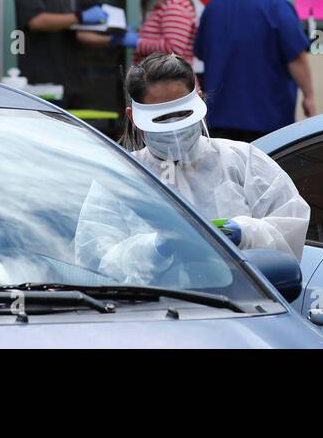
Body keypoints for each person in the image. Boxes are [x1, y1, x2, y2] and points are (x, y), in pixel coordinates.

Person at [73, 52, 309, 282]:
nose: (174, 128)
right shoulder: (120, 178)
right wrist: (156, 247)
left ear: (200, 99)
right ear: (133, 117)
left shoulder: (242, 161)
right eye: (162, 119)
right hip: (149, 314)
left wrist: (243, 232)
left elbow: (291, 227)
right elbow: (96, 261)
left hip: (240, 308)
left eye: (182, 114)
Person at [193, 0, 316, 142]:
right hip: (269, 120)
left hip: (220, 119)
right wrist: (309, 96)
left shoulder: (214, 7)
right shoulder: (278, 7)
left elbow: (200, 52)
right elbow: (296, 57)